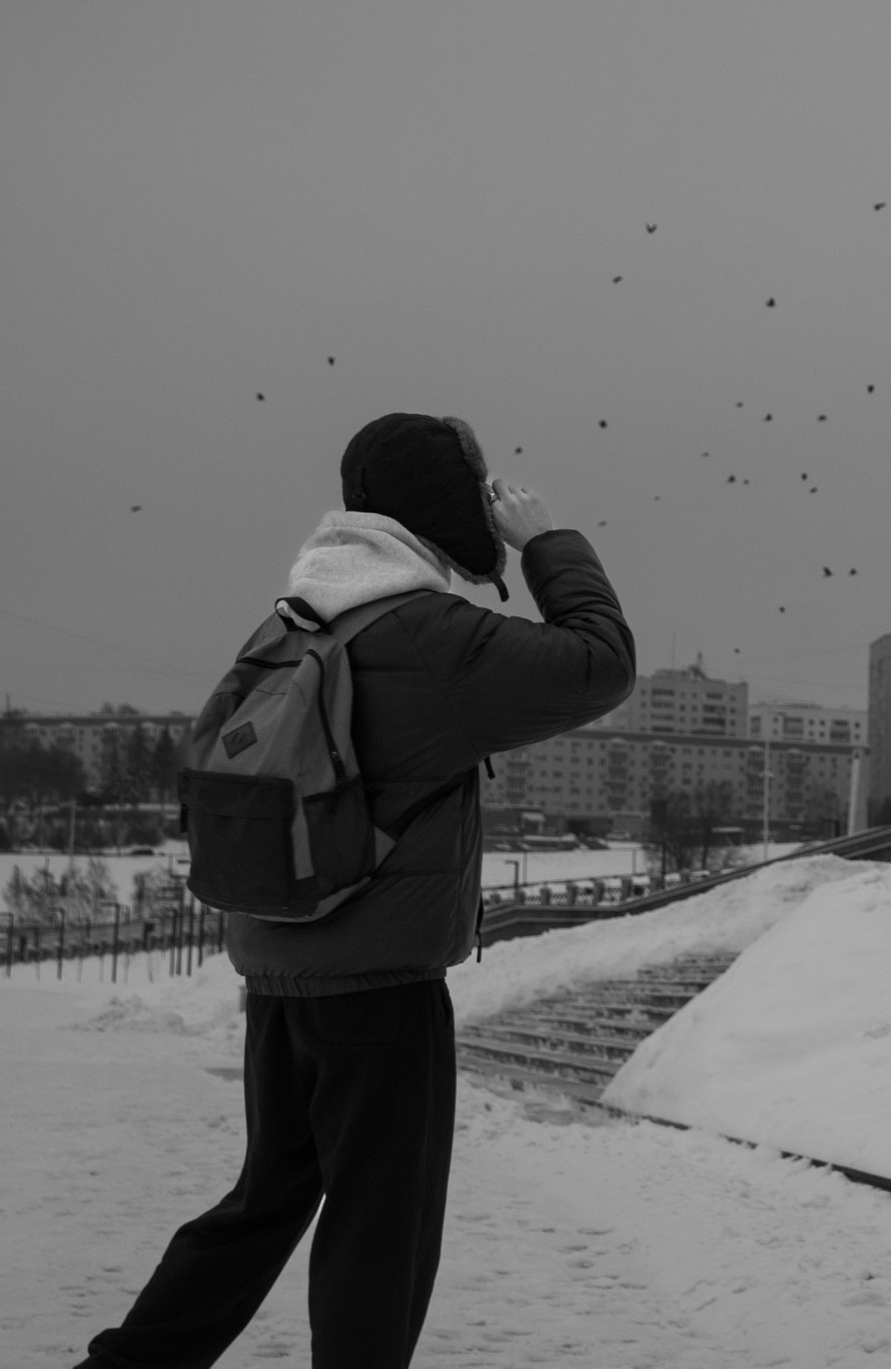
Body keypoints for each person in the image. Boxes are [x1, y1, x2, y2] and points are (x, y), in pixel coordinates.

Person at [77, 412, 634, 1369]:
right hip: (381, 990)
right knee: (384, 1230)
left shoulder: (296, 615)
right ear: (446, 508)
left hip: (281, 974)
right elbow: (600, 662)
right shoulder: (430, 635)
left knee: (263, 1204)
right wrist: (545, 542)